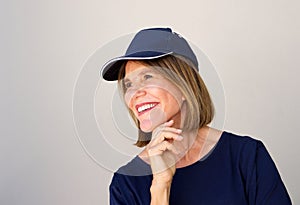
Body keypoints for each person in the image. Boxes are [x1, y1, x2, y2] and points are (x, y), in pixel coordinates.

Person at [101, 28, 292, 205]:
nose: (135, 93)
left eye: (147, 77)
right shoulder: (126, 183)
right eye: (128, 85)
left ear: (184, 84)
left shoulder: (247, 157)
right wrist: (160, 186)